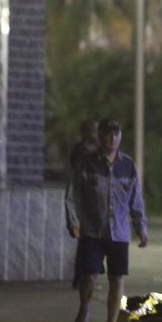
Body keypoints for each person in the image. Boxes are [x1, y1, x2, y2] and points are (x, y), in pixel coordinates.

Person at [65, 118, 148, 322]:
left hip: (118, 232)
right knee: (89, 276)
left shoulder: (127, 166)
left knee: (117, 278)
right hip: (92, 230)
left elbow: (135, 199)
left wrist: (141, 228)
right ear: (99, 136)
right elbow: (73, 195)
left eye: (116, 134)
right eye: (108, 134)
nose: (112, 139)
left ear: (120, 137)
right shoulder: (86, 163)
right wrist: (73, 222)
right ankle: (84, 308)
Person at [68, 119, 100, 289]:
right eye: (94, 131)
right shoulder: (81, 152)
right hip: (84, 202)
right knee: (86, 241)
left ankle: (83, 275)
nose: (97, 135)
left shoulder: (94, 151)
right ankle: (81, 276)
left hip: (92, 203)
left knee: (87, 242)